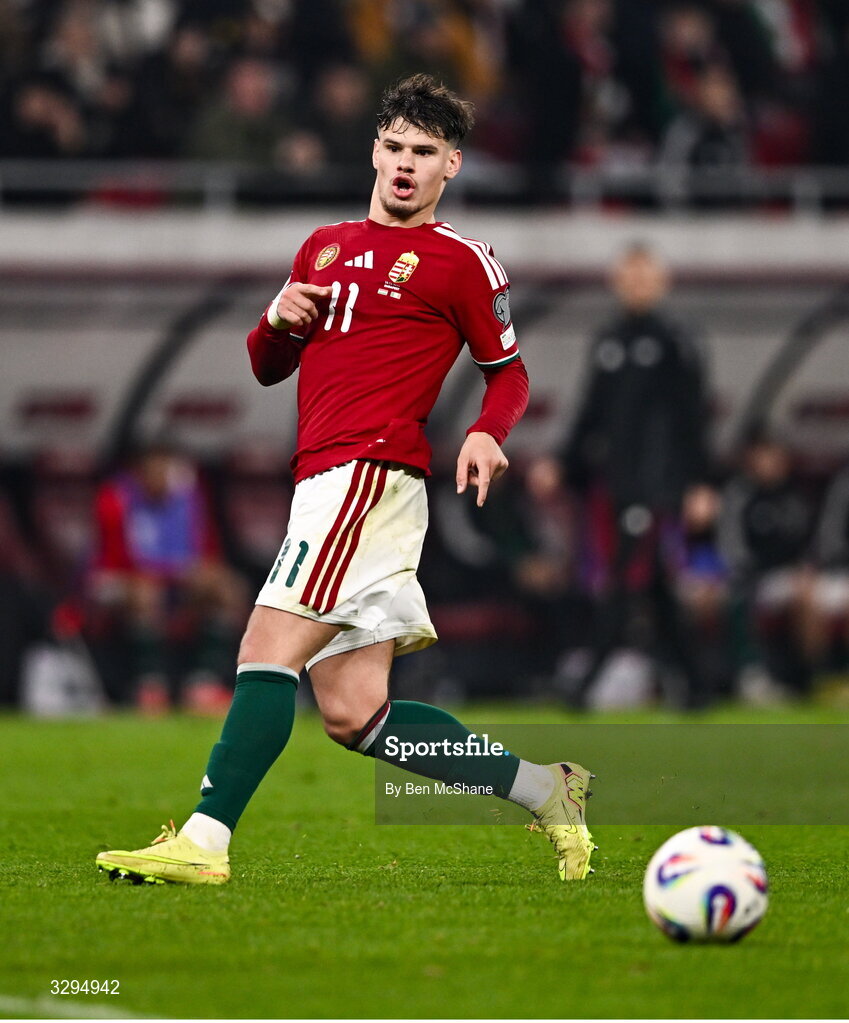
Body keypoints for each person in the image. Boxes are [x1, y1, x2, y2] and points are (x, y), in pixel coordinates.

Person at [96, 74, 595, 886]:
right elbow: (266, 367)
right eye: (394, 146)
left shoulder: (462, 262)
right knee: (354, 712)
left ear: (451, 166)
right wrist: (276, 317)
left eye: (424, 153)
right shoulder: (321, 246)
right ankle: (548, 790)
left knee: (265, 646)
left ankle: (205, 839)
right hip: (326, 476)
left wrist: (483, 433)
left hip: (367, 474)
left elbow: (508, 373)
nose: (404, 164)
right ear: (373, 149)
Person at [560, 242, 714, 708]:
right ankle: (699, 687)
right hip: (620, 482)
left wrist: (701, 482)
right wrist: (562, 463)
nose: (638, 285)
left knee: (626, 576)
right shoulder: (609, 341)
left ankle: (583, 689)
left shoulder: (675, 340)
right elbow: (591, 414)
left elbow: (694, 419)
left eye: (646, 277)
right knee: (656, 587)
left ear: (661, 282)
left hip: (658, 482)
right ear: (618, 282)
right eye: (631, 276)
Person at [88, 444, 247, 713]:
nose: (163, 474)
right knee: (145, 591)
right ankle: (149, 686)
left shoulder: (188, 495)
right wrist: (174, 573)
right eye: (156, 466)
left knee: (224, 587)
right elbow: (118, 560)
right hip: (110, 582)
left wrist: (194, 574)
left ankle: (203, 683)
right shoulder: (116, 497)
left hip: (171, 579)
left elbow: (205, 552)